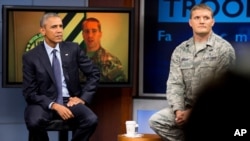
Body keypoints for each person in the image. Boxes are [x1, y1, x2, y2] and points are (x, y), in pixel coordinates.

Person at [148, 3, 236, 141]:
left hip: (214, 110)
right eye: (197, 18)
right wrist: (178, 111)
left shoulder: (224, 49)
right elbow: (174, 84)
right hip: (185, 109)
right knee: (157, 120)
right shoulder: (180, 50)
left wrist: (195, 113)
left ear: (212, 22)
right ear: (190, 22)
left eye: (206, 18)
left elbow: (223, 93)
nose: (201, 21)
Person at [22, 13, 100, 141]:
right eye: (53, 27)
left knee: (91, 120)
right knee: (34, 122)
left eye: (61, 26)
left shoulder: (73, 49)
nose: (59, 30)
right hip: (43, 102)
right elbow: (29, 92)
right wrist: (54, 105)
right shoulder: (31, 57)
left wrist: (83, 98)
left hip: (69, 100)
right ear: (43, 31)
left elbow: (94, 73)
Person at [81, 17, 127, 82]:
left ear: (100, 34)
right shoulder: (76, 59)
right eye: (87, 31)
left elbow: (119, 88)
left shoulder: (111, 62)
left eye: (94, 31)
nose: (90, 35)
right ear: (83, 35)